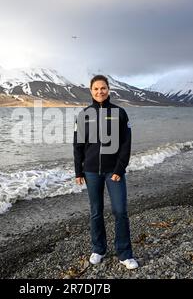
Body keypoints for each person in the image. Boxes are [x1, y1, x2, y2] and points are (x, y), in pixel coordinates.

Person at [73, 75, 138, 270]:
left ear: (109, 89)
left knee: (120, 211)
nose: (99, 92)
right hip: (91, 172)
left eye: (103, 88)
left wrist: (120, 168)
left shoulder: (120, 113)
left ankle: (125, 254)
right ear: (91, 91)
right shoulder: (84, 115)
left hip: (113, 172)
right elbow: (78, 146)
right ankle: (98, 249)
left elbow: (126, 144)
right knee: (95, 212)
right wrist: (79, 171)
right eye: (96, 89)